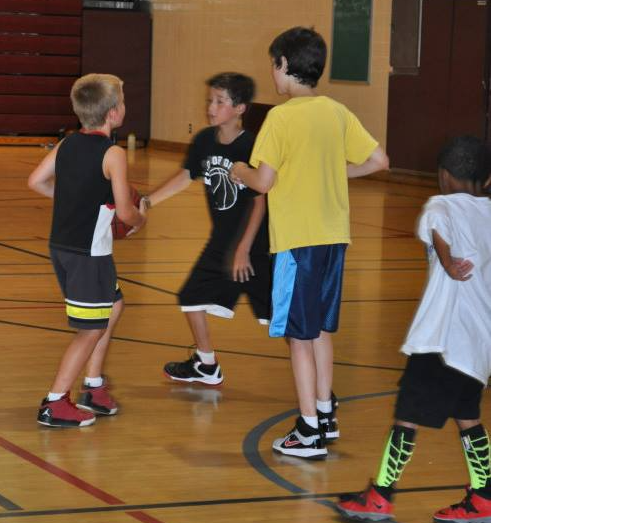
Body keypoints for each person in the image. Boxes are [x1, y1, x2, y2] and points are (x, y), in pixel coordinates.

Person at [229, 27, 390, 459]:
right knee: (316, 328)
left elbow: (263, 181)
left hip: (298, 242)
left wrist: (239, 170)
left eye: (273, 66)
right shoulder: (336, 112)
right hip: (334, 238)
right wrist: (336, 173)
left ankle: (308, 430)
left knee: (299, 337)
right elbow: (379, 161)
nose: (273, 74)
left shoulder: (280, 118)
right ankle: (324, 413)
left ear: (283, 65)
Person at [334, 135, 491, 522]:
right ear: (487, 181)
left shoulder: (440, 203)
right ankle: (484, 497)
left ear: (442, 176)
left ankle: (381, 495)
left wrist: (448, 260)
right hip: (477, 343)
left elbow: (437, 228)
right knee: (467, 415)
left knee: (407, 414)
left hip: (440, 339)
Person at [27, 73, 147, 427]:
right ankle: (55, 402)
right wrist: (140, 219)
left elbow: (36, 181)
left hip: (62, 247)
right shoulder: (113, 153)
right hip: (88, 255)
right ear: (113, 113)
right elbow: (125, 212)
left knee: (114, 304)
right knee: (90, 329)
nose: (125, 106)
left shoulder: (66, 144)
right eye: (122, 101)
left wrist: (71, 199)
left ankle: (93, 386)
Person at [143, 72, 270, 386]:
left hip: (256, 247)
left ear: (240, 108)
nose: (211, 107)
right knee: (191, 296)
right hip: (222, 241)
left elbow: (259, 202)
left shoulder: (252, 147)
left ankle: (321, 390)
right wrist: (148, 201)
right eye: (209, 101)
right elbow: (187, 175)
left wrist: (242, 250)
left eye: (219, 101)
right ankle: (206, 364)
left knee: (281, 322)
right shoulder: (203, 140)